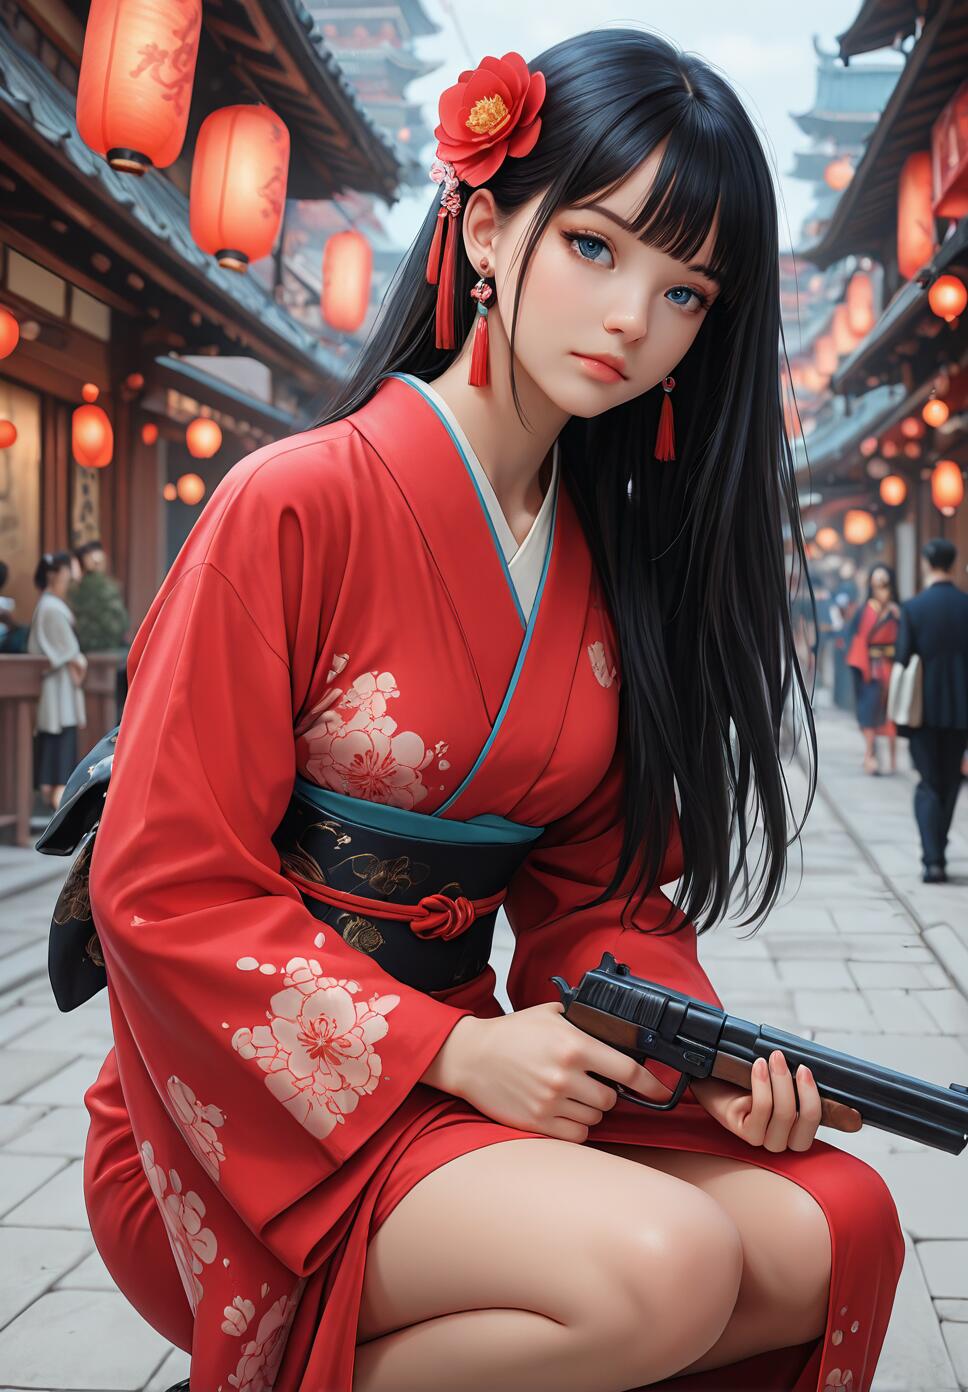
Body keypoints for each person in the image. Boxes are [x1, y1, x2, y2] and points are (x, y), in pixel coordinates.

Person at [81, 31, 903, 1392]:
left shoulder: (608, 566)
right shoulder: (294, 501)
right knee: (668, 1264)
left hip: (479, 1075)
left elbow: (604, 909)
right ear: (481, 224)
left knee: (839, 1223)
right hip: (245, 1092)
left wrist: (700, 1061)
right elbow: (160, 883)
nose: (635, 316)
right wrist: (453, 1047)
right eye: (595, 246)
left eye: (687, 288)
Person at [895, 537, 968, 883]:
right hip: (961, 711)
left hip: (921, 710)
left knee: (927, 783)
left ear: (926, 563)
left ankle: (932, 860)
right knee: (951, 781)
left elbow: (902, 658)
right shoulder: (965, 606)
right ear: (953, 565)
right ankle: (938, 847)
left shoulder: (913, 608)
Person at [27, 551, 87, 810]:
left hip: (58, 685)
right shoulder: (51, 608)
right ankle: (56, 803)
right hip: (58, 686)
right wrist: (79, 663)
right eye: (65, 574)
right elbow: (70, 652)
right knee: (58, 744)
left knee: (57, 743)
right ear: (54, 575)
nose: (69, 580)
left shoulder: (49, 605)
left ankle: (54, 799)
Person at [846, 565, 901, 776]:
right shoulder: (865, 610)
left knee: (891, 714)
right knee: (869, 712)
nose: (880, 587)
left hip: (891, 666)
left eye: (884, 582)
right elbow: (856, 638)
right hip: (869, 667)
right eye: (876, 582)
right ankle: (871, 755)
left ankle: (891, 760)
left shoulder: (896, 610)